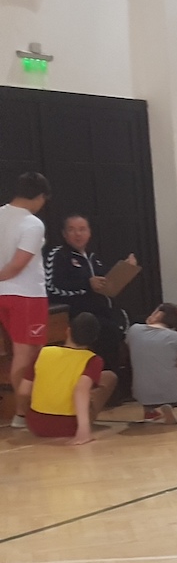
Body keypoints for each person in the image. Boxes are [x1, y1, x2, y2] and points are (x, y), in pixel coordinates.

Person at [44, 214, 131, 368]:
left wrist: (125, 270)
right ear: (64, 234)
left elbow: (107, 282)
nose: (78, 234)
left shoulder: (93, 257)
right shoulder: (58, 255)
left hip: (104, 311)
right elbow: (52, 287)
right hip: (77, 315)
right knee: (107, 330)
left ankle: (116, 375)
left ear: (89, 232)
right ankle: (104, 375)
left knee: (130, 324)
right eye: (72, 230)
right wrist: (86, 284)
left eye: (82, 229)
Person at [16, 312, 117, 444]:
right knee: (109, 377)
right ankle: (84, 423)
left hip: (36, 425)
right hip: (69, 426)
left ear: (68, 331)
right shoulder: (93, 360)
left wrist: (29, 414)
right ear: (95, 338)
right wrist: (84, 431)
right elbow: (80, 390)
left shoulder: (43, 352)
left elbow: (23, 391)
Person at [1, 172, 51, 428]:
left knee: (28, 351)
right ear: (40, 196)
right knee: (26, 353)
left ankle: (32, 408)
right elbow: (17, 265)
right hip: (26, 295)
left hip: (5, 295)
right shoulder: (32, 223)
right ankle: (22, 414)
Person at [128, 303, 177, 423]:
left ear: (159, 314)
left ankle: (150, 411)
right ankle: (168, 405)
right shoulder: (174, 336)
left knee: (147, 373)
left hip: (143, 395)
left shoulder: (134, 330)